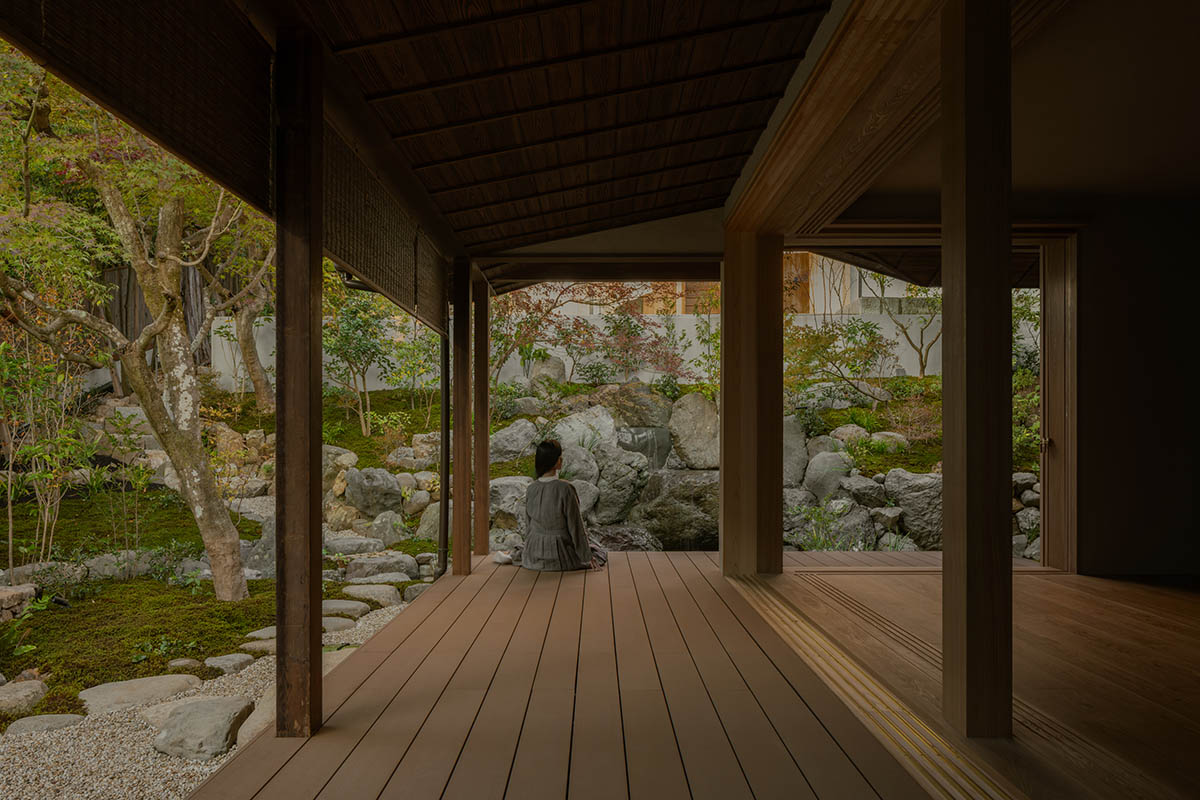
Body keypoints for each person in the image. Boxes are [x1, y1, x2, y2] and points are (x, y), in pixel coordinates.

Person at [515, 439, 605, 571]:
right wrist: (587, 556)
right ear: (557, 461)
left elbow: (529, 525)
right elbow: (576, 527)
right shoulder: (565, 488)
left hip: (533, 553)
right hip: (559, 554)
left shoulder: (531, 488)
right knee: (600, 553)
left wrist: (528, 549)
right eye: (560, 456)